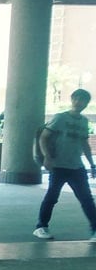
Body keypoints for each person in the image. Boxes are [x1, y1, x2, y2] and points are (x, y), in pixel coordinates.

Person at [33, 88, 96, 241]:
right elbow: (44, 138)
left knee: (86, 198)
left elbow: (84, 143)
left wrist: (92, 164)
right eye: (78, 99)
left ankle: (95, 229)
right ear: (72, 99)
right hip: (58, 166)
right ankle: (41, 227)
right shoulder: (60, 118)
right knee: (52, 197)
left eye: (84, 100)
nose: (80, 103)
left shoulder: (83, 121)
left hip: (77, 166)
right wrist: (48, 157)